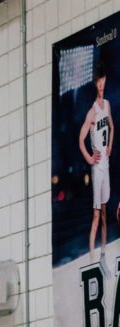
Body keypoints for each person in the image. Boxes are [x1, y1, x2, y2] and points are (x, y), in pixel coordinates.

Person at [79, 64, 114, 275]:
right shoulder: (92, 111)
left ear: (105, 80)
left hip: (106, 166)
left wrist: (110, 145)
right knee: (95, 214)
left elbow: (112, 127)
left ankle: (102, 258)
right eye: (98, 81)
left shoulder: (107, 105)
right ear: (95, 83)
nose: (101, 84)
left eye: (103, 80)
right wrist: (89, 157)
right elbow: (80, 139)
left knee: (104, 216)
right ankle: (92, 262)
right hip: (97, 169)